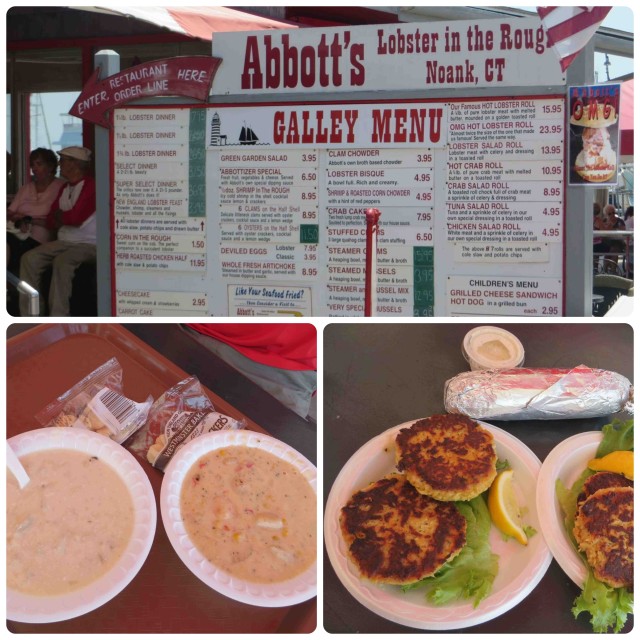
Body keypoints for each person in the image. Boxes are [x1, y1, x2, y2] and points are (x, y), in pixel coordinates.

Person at [19, 146, 96, 316]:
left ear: (75, 164)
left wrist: (62, 217)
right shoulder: (65, 188)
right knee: (29, 259)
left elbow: (75, 218)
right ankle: (31, 314)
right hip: (64, 241)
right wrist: (62, 217)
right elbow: (52, 220)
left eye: (63, 160)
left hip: (89, 244)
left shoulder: (91, 186)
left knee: (63, 262)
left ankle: (58, 315)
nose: (59, 164)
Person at [7, 147, 65, 275]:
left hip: (41, 239)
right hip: (18, 233)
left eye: (39, 164)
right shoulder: (26, 188)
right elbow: (9, 212)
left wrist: (30, 220)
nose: (34, 168)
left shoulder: (61, 187)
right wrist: (18, 219)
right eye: (32, 165)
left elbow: (58, 220)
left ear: (50, 166)